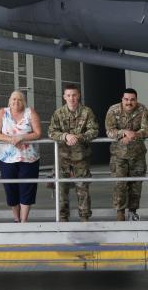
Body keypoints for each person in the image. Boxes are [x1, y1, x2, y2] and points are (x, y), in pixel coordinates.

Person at [48, 84, 99, 222]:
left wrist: (78, 137)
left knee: (82, 188)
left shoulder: (87, 112)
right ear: (64, 97)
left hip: (81, 157)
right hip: (63, 157)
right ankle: (63, 218)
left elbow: (94, 130)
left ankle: (85, 218)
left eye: (74, 95)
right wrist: (65, 136)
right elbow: (51, 132)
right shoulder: (58, 113)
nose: (72, 98)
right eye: (69, 95)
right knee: (61, 189)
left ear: (79, 95)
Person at [0, 90, 42, 223]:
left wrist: (22, 137)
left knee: (27, 187)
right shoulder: (3, 112)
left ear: (23, 101)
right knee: (10, 188)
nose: (16, 102)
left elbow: (38, 133)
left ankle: (24, 220)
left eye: (19, 99)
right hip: (7, 158)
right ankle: (16, 218)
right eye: (13, 99)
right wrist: (12, 139)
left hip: (29, 157)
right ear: (9, 101)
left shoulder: (30, 112)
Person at [105, 88, 148, 221]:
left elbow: (147, 130)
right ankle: (120, 213)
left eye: (132, 100)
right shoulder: (113, 110)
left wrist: (134, 135)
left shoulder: (143, 110)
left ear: (136, 100)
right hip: (118, 156)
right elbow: (109, 131)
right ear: (122, 99)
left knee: (136, 185)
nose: (129, 102)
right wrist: (124, 133)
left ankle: (133, 211)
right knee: (119, 184)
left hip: (137, 155)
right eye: (126, 99)